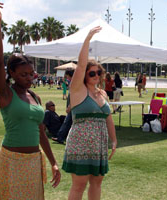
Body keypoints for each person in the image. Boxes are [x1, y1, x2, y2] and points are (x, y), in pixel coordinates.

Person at [0, 1, 61, 199]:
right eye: (23, 75)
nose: (29, 78)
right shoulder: (6, 94)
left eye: (31, 74)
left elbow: (41, 132)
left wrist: (53, 161)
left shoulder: (35, 96)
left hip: (33, 161)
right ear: (11, 73)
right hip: (12, 160)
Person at [62, 26, 117, 200]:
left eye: (98, 72)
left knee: (97, 183)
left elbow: (108, 119)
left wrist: (114, 139)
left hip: (99, 145)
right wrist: (88, 39)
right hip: (81, 144)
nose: (95, 75)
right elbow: (81, 64)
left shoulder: (102, 94)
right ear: (84, 75)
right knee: (79, 185)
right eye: (91, 72)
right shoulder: (77, 90)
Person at [53, 69, 75, 144]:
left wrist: (69, 106)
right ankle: (61, 137)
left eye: (67, 76)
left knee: (67, 122)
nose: (66, 77)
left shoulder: (74, 83)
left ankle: (60, 137)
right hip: (72, 107)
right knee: (68, 122)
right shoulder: (73, 82)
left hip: (72, 107)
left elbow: (74, 96)